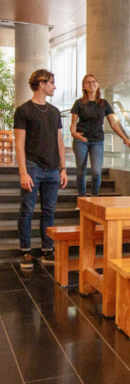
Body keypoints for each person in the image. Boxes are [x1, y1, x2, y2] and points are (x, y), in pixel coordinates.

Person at [14, 70, 68, 270]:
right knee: (27, 210)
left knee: (49, 212)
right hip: (32, 167)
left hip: (53, 169)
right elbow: (19, 144)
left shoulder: (54, 111)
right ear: (41, 83)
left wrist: (63, 168)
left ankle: (47, 249)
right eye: (52, 83)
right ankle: (26, 252)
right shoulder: (24, 110)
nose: (54, 86)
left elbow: (60, 141)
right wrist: (22, 172)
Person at [70, 74, 130, 200]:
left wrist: (124, 138)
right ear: (84, 86)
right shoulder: (79, 103)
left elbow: (113, 124)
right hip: (81, 140)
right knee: (81, 171)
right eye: (88, 82)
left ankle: (94, 197)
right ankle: (81, 199)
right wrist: (73, 133)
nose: (91, 84)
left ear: (98, 85)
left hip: (97, 141)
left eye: (94, 81)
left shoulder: (104, 103)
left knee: (97, 171)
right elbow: (73, 125)